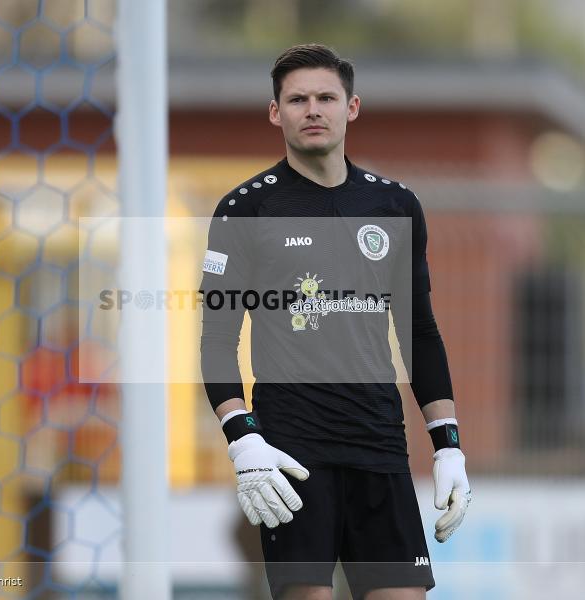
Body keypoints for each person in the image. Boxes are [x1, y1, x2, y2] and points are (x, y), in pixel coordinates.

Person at [199, 44, 471, 600]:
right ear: (275, 112)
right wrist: (242, 439)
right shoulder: (245, 209)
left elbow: (419, 332)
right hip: (291, 452)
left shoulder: (394, 206)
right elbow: (217, 339)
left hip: (380, 445)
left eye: (326, 97)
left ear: (352, 107)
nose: (312, 110)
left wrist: (447, 446)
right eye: (297, 100)